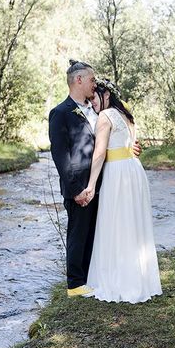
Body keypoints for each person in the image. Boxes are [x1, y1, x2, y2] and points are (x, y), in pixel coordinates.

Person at [79, 79, 162, 303]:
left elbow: (99, 154)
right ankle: (138, 279)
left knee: (116, 224)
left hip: (118, 173)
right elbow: (128, 145)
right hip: (133, 170)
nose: (92, 103)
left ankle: (120, 281)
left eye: (94, 98)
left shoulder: (106, 117)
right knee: (133, 224)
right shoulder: (125, 115)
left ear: (106, 95)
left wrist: (91, 185)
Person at [48, 60, 99, 297]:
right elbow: (61, 157)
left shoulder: (96, 110)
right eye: (91, 80)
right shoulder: (60, 113)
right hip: (78, 187)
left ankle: (90, 279)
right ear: (78, 80)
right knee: (78, 235)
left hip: (99, 183)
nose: (94, 85)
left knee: (94, 233)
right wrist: (77, 189)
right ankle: (75, 285)